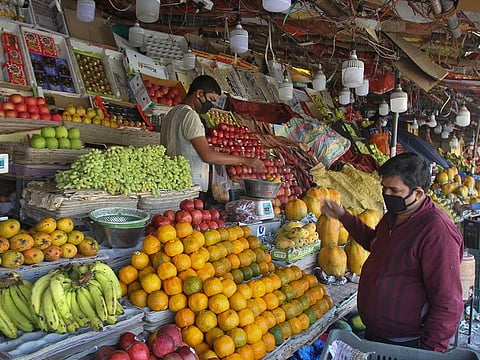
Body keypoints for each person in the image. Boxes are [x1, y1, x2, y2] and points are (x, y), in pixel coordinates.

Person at [321, 152, 464, 352]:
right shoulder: (394, 216)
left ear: (419, 193)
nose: (387, 194)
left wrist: (428, 354)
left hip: (406, 345)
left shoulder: (438, 233)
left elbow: (448, 304)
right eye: (384, 188)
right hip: (376, 334)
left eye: (394, 190)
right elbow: (375, 243)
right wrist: (344, 217)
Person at [160, 75, 266, 193]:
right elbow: (207, 156)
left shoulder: (172, 113)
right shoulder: (191, 116)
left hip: (171, 180)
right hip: (188, 186)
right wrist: (246, 160)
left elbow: (179, 143)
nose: (211, 106)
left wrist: (211, 148)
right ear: (199, 94)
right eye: (211, 100)